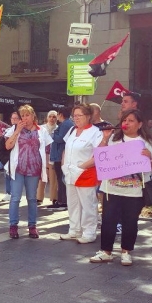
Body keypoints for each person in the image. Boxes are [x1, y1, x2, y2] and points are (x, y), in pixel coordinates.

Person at [90, 109, 152, 266]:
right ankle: (106, 251)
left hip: (135, 191)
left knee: (130, 221)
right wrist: (104, 139)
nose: (126, 123)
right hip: (111, 189)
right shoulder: (113, 139)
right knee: (108, 220)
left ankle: (126, 251)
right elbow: (99, 158)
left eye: (130, 120)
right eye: (124, 120)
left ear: (140, 124)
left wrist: (149, 158)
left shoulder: (147, 142)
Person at [4, 105, 53, 239]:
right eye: (22, 115)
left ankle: (32, 226)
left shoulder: (41, 130)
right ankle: (13, 225)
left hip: (34, 169)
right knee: (15, 198)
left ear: (33, 116)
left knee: (32, 198)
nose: (25, 118)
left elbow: (47, 149)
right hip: (18, 168)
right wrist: (17, 131)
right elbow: (8, 146)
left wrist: (47, 168)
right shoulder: (14, 129)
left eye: (27, 115)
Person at [60, 104, 103, 244]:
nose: (76, 118)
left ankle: (89, 232)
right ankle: (74, 229)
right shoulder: (72, 130)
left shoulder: (95, 132)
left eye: (80, 115)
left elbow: (99, 155)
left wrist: (81, 167)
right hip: (70, 173)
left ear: (88, 116)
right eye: (75, 116)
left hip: (86, 173)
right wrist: (63, 165)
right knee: (72, 203)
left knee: (88, 204)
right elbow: (66, 148)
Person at [49, 106, 73, 210]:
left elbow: (60, 139)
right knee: (60, 179)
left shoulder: (65, 124)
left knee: (61, 179)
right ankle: (61, 200)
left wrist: (53, 133)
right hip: (59, 154)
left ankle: (62, 201)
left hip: (60, 155)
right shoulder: (66, 124)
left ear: (60, 114)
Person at [36, 110, 58, 206]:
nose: (52, 119)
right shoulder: (41, 128)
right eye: (50, 116)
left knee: (53, 177)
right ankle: (39, 198)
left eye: (54, 117)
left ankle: (54, 198)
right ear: (47, 118)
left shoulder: (58, 128)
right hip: (43, 154)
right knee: (42, 177)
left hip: (53, 155)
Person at [1, 112, 21, 202]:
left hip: (18, 158)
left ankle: (14, 193)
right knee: (8, 175)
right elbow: (4, 146)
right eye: (12, 118)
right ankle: (8, 192)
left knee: (16, 177)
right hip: (8, 157)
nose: (14, 120)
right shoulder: (8, 130)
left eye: (16, 118)